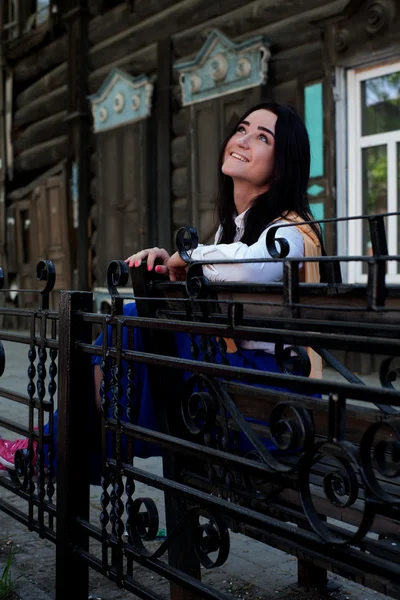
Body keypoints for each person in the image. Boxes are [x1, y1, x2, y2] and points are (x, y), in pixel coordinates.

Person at [0, 103, 323, 473]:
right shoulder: (231, 230)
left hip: (277, 395)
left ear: (282, 166)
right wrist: (168, 270)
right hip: (238, 380)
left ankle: (54, 450)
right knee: (131, 328)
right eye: (242, 129)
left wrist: (188, 257)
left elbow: (251, 269)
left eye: (262, 137)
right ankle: (55, 449)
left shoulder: (293, 230)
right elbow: (216, 280)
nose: (243, 140)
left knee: (135, 324)